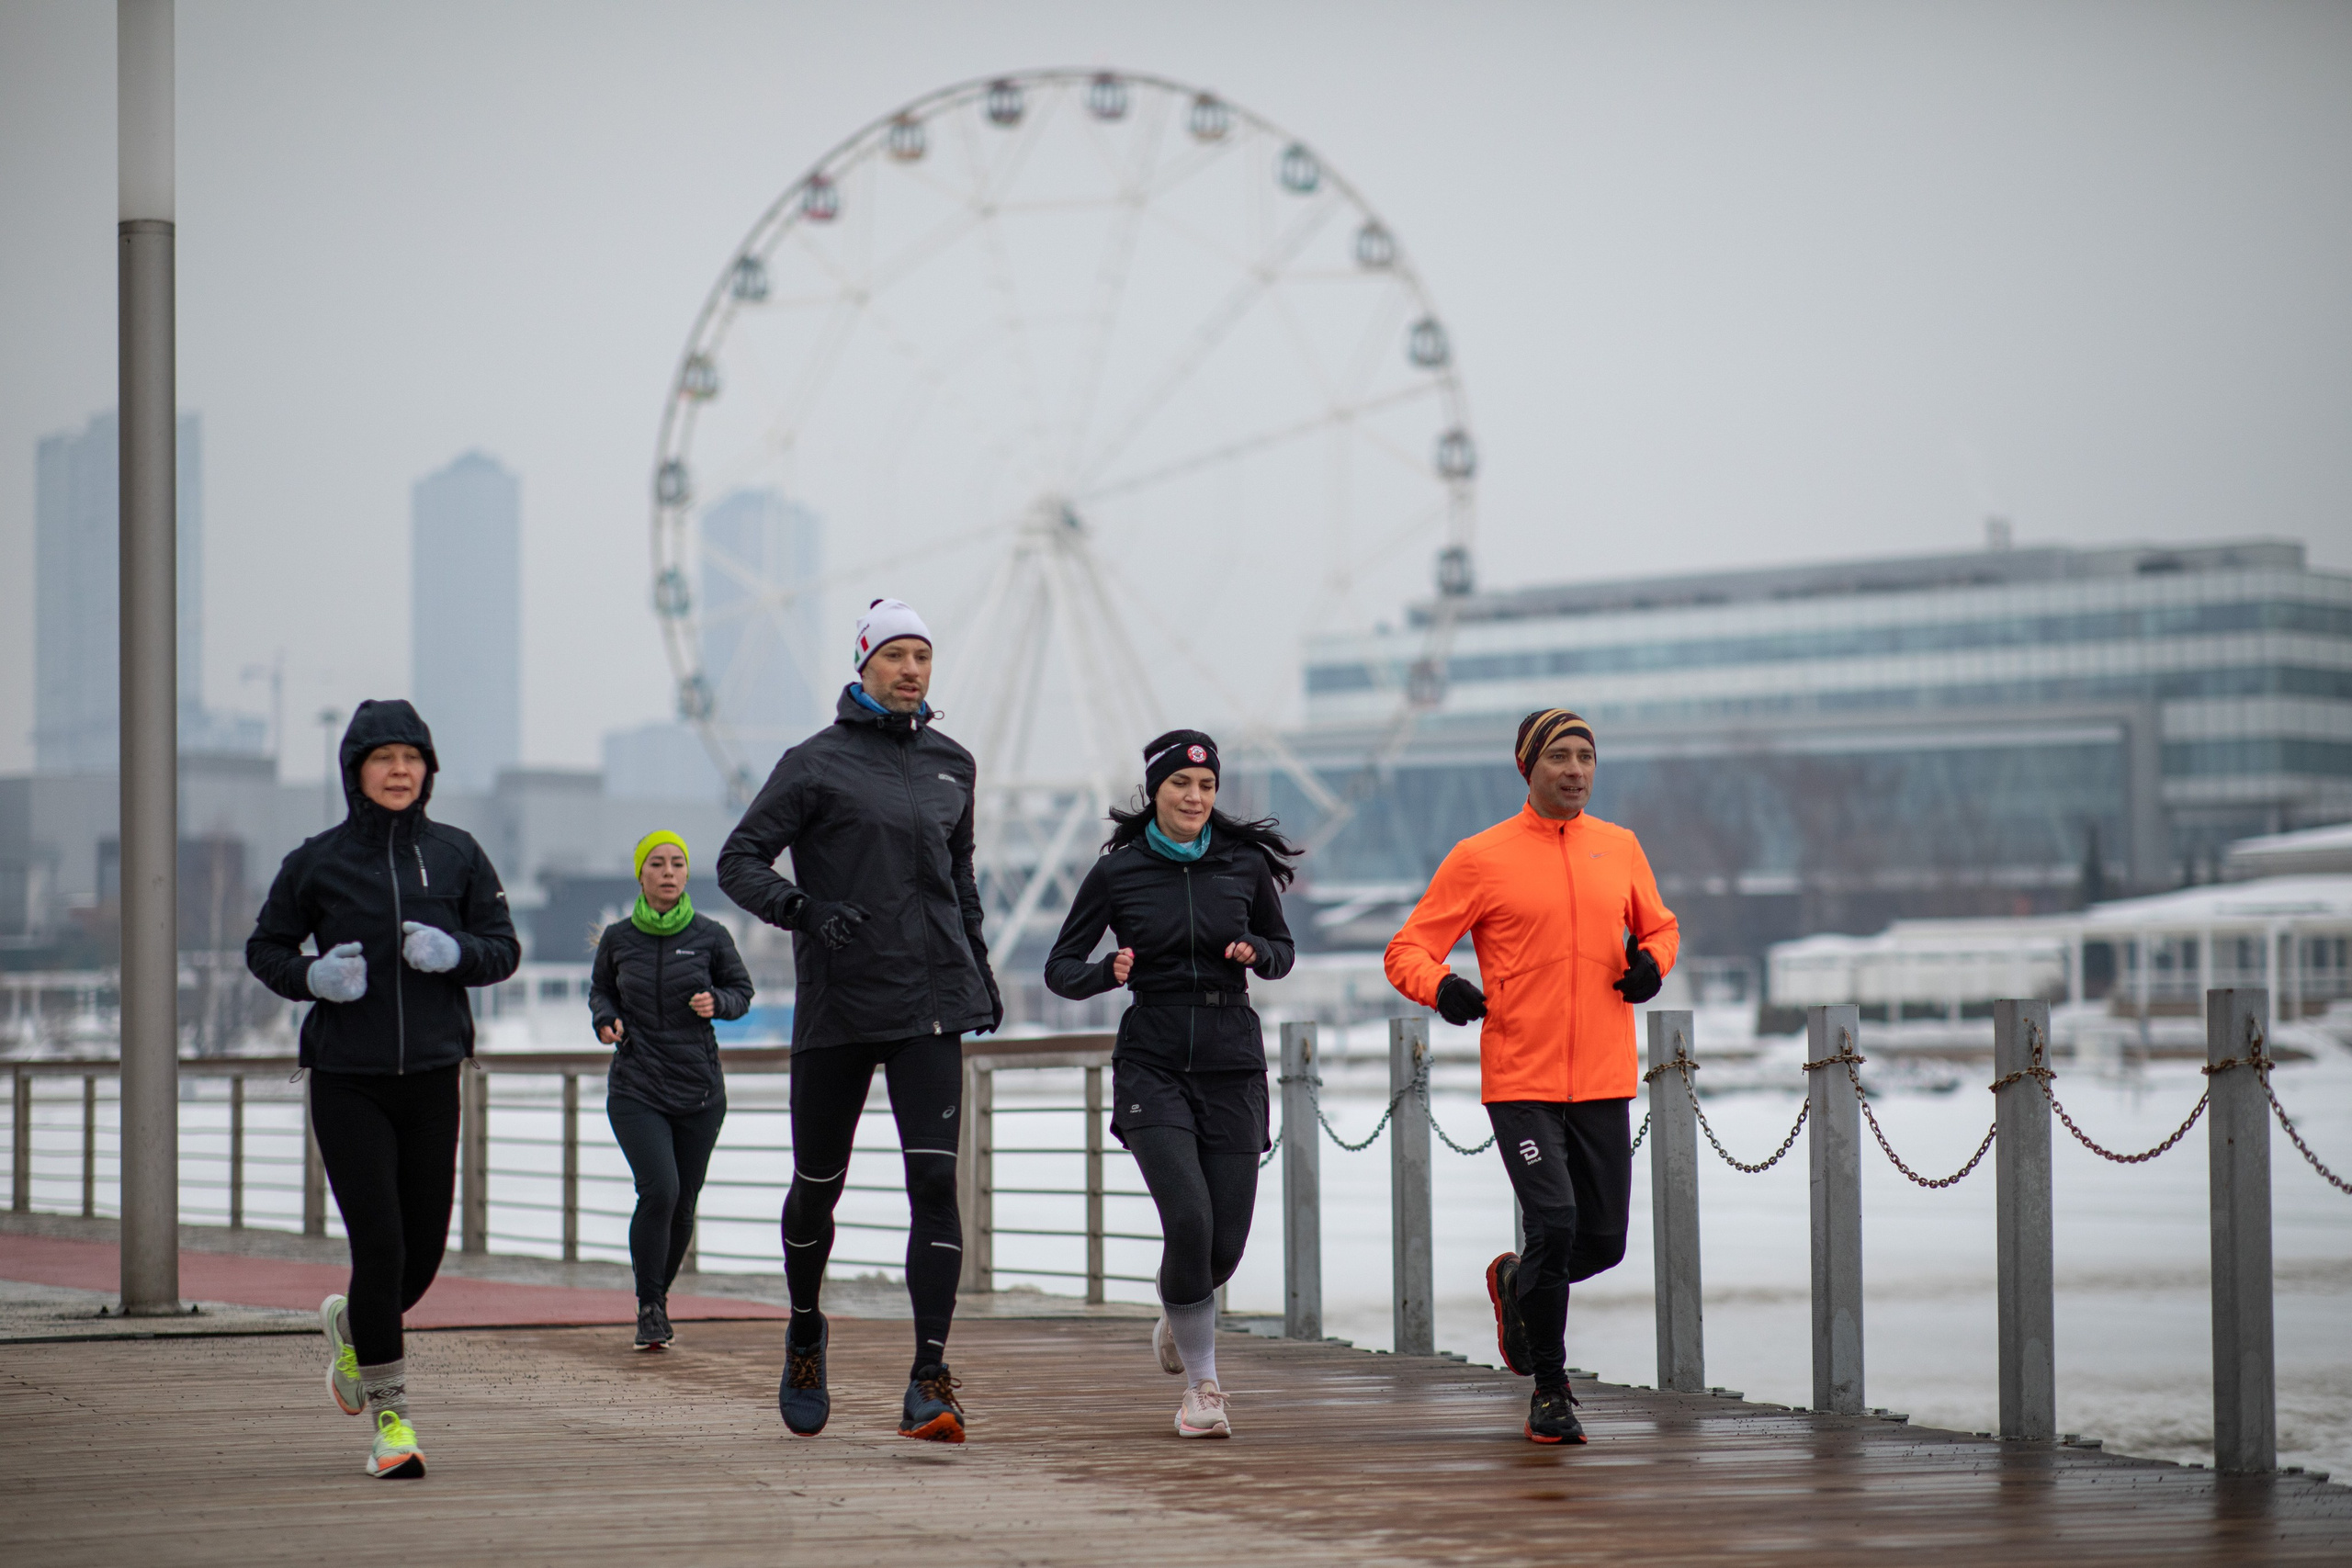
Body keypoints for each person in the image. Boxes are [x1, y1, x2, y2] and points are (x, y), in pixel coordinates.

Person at [717, 597, 1002, 1443]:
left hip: (931, 1007)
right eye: (897, 655)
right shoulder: (813, 763)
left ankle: (929, 1376)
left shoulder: (955, 763)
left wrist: (978, 973)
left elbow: (961, 880)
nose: (913, 669)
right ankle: (806, 1329)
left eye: (923, 655)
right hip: (840, 1004)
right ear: (864, 662)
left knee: (933, 1189)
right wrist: (801, 908)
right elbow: (737, 860)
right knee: (818, 1188)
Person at [1383, 708, 1678, 1445]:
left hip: (1605, 1076)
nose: (1576, 770)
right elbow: (1407, 948)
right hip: (1520, 1078)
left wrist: (1653, 964)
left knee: (1601, 1241)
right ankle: (1551, 1388)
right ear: (1528, 766)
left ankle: (1520, 1284)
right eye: (1560, 757)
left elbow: (1661, 927)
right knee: (1556, 1222)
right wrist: (1443, 986)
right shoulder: (1481, 856)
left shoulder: (1621, 846)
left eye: (1586, 757)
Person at [245, 700, 521, 1479]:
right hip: (348, 1081)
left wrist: (455, 951)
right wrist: (312, 978)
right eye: (383, 758)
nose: (400, 771)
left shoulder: (458, 854)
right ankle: (392, 1420)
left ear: (429, 770)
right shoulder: (317, 861)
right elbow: (265, 947)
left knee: (423, 1258)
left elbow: (504, 949)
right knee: (382, 1243)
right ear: (355, 772)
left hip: (434, 1075)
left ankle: (352, 1332)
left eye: (412, 758)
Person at [1044, 730, 1297, 1439]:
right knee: (1188, 1218)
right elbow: (1060, 965)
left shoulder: (1242, 864)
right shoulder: (1118, 872)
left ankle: (1178, 1308)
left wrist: (1260, 952)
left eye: (1207, 786)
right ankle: (1203, 1386)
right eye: (1182, 786)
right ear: (1155, 790)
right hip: (1152, 1060)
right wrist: (1105, 973)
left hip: (1232, 1062)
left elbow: (1283, 950)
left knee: (1225, 1244)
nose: (1195, 797)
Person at [589, 830, 754, 1350]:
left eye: (677, 863)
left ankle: (657, 1299)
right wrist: (605, 1019)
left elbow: (742, 992)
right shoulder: (618, 938)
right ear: (641, 874)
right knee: (659, 1189)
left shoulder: (711, 934)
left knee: (683, 1202)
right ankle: (649, 1305)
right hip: (637, 1086)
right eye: (656, 863)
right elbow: (601, 990)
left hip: (699, 1091)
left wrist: (718, 1003)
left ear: (686, 875)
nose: (667, 872)